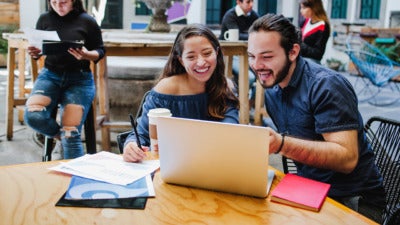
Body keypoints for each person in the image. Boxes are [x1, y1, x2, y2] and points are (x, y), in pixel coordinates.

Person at [247, 14, 385, 223]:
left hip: (354, 199)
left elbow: (347, 158)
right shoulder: (273, 89)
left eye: (266, 57)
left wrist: (281, 144)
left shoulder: (326, 86)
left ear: (293, 51)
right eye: (251, 56)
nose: (256, 66)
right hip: (310, 189)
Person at [123, 24, 240, 163]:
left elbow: (231, 129)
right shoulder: (166, 89)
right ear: (181, 60)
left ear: (217, 52)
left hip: (214, 163)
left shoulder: (225, 86)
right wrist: (130, 146)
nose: (201, 62)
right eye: (191, 57)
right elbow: (141, 135)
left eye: (207, 53)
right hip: (170, 167)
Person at [25, 0, 105, 159]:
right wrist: (35, 53)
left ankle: (75, 181)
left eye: (63, 2)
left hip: (80, 79)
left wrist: (86, 55)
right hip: (50, 75)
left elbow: (100, 50)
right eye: (54, 2)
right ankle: (61, 137)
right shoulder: (44, 19)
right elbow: (39, 50)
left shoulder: (87, 21)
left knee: (71, 132)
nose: (58, 6)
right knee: (33, 116)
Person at [219, 0, 259, 106]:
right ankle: (237, 105)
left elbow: (260, 33)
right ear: (239, 2)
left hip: (247, 55)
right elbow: (236, 36)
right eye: (248, 2)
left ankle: (249, 105)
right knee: (250, 77)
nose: (251, 5)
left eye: (252, 2)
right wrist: (252, 35)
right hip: (228, 56)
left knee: (263, 72)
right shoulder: (230, 15)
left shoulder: (254, 15)